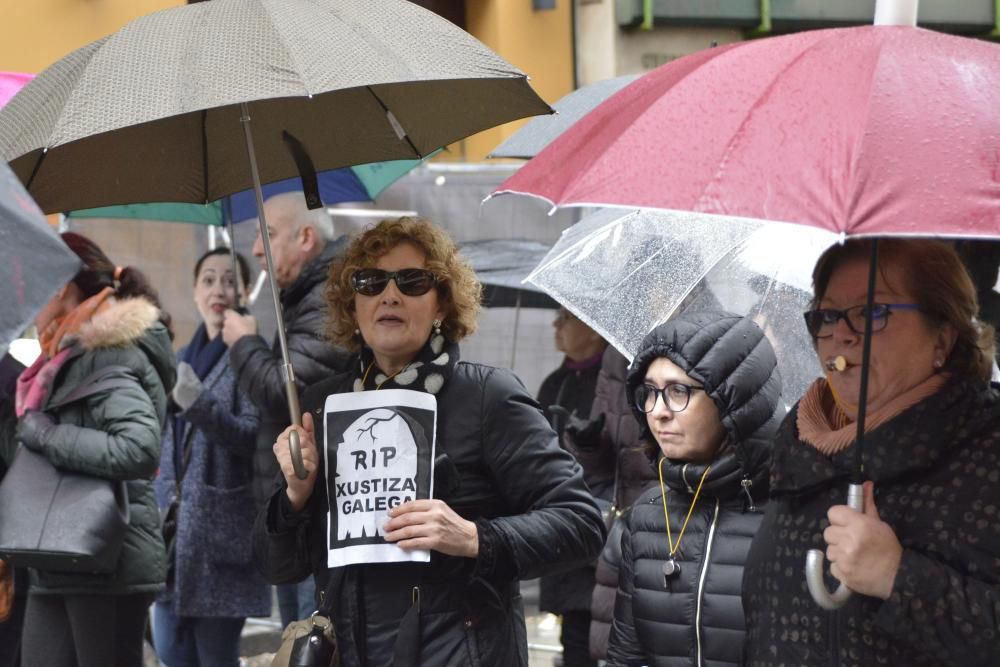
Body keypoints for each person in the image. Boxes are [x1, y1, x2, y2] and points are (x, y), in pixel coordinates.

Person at [252, 217, 607, 666]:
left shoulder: (487, 397)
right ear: (352, 306)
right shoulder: (322, 406)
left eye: (412, 281)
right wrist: (294, 499)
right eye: (370, 281)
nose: (390, 294)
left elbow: (581, 524)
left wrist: (474, 536)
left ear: (442, 304)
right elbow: (277, 567)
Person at [742, 239, 1000, 666]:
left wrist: (897, 576)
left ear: (943, 337)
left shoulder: (986, 451)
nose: (840, 333)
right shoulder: (794, 451)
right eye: (828, 315)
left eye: (871, 313)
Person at [0, 232, 175, 667]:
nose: (24, 301)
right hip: (57, 554)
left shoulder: (110, 352)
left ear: (59, 286)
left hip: (106, 560)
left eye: (29, 285)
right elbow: (30, 450)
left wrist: (46, 436)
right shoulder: (57, 360)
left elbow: (138, 447)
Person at [607, 310, 781, 667]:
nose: (658, 412)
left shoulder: (793, 512)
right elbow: (626, 655)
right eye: (650, 393)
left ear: (732, 398)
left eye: (677, 391)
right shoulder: (648, 513)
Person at [222, 191, 353, 626]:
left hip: (319, 515)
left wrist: (243, 342)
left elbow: (284, 390)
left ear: (306, 238)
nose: (256, 248)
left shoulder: (331, 296)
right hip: (296, 509)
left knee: (309, 638)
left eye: (269, 234)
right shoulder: (307, 295)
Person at [152, 248, 270, 665]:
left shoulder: (250, 357)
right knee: (169, 652)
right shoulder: (182, 358)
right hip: (173, 536)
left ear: (243, 291)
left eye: (229, 279)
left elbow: (256, 438)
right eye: (208, 279)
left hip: (222, 536)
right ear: (194, 290)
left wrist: (201, 404)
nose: (218, 289)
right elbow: (166, 442)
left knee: (215, 657)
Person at [561, 346, 657, 661]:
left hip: (678, 518)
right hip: (622, 526)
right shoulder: (620, 355)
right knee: (615, 648)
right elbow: (603, 461)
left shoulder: (706, 338)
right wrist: (587, 443)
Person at [536, 308, 607, 667]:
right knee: (575, 640)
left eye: (566, 317)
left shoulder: (617, 382)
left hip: (605, 525)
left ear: (593, 327)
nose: (556, 325)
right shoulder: (555, 384)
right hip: (561, 521)